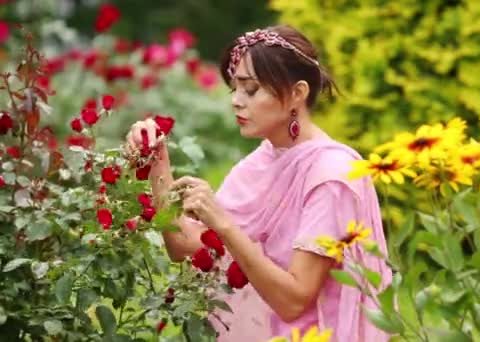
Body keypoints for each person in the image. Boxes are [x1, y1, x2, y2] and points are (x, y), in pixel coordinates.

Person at [126, 25, 391, 342]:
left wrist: (223, 224)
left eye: (250, 90)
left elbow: (293, 301)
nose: (237, 101)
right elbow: (184, 247)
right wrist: (158, 166)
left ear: (297, 93)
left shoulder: (331, 176)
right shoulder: (261, 161)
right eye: (234, 89)